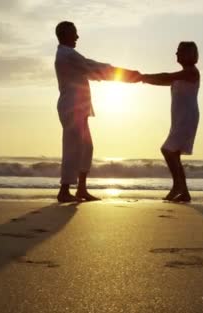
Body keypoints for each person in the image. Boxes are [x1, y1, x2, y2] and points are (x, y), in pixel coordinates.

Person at [54, 21, 140, 202]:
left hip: (78, 106)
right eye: (75, 33)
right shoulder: (67, 54)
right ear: (65, 35)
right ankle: (64, 190)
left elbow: (92, 72)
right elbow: (93, 67)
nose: (77, 37)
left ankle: (81, 189)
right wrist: (127, 75)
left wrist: (125, 76)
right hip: (71, 106)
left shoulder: (68, 54)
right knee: (72, 148)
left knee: (86, 148)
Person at [141, 42, 200, 202]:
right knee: (174, 153)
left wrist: (143, 76)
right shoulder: (182, 74)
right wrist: (143, 79)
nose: (176, 54)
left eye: (179, 51)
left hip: (187, 117)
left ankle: (177, 186)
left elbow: (167, 76)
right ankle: (184, 192)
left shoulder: (191, 72)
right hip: (180, 117)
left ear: (189, 54)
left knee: (167, 150)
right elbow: (163, 80)